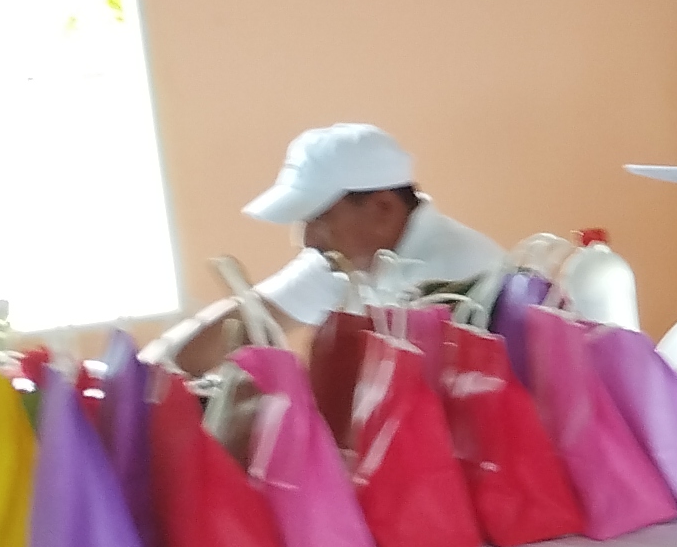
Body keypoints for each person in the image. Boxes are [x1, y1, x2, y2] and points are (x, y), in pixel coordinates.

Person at [155, 124, 502, 378]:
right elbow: (246, 319)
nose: (305, 239)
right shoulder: (351, 259)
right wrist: (144, 379)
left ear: (382, 209)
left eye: (317, 219)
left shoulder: (465, 275)